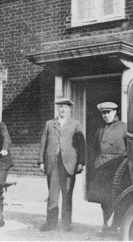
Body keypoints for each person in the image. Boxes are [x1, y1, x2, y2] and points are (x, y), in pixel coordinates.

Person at [37, 98, 86, 232]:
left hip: (69, 164)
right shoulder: (49, 124)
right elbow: (43, 143)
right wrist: (41, 161)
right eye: (60, 107)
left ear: (69, 109)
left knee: (67, 195)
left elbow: (81, 144)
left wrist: (81, 162)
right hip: (52, 163)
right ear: (57, 109)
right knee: (53, 195)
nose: (63, 109)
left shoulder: (75, 124)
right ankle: (51, 223)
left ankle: (66, 223)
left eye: (65, 107)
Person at [89, 102, 128, 236]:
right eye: (103, 113)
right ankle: (107, 226)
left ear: (115, 112)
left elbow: (131, 149)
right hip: (102, 168)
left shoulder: (124, 127)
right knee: (104, 200)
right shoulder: (100, 130)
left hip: (117, 169)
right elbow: (95, 150)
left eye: (109, 112)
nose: (106, 116)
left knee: (118, 198)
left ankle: (118, 226)